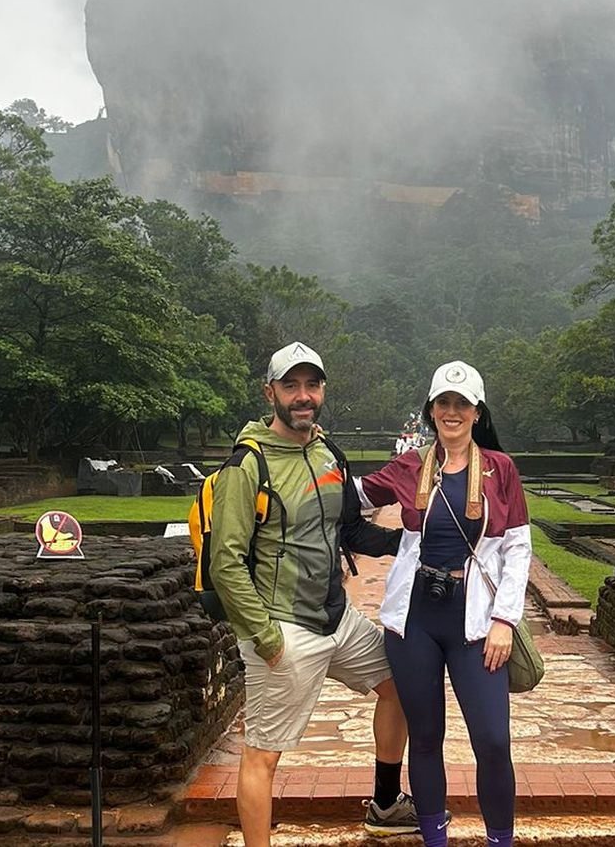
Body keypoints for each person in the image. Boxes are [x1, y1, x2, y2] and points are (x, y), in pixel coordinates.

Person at [206, 341, 419, 845]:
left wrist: (413, 539)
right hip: (282, 625)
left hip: (337, 618)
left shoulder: (327, 453)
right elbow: (225, 562)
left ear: (322, 391)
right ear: (270, 392)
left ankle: (386, 804)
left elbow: (350, 531)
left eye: (312, 385)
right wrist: (265, 638)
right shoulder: (247, 466)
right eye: (291, 386)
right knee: (263, 754)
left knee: (402, 686)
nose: (303, 396)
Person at [353, 361, 532, 847]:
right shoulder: (411, 466)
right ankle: (435, 839)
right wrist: (302, 463)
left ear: (477, 412)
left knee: (493, 741)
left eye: (462, 404)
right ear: (431, 410)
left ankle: (500, 841)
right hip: (415, 621)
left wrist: (505, 621)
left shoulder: (500, 469)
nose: (452, 412)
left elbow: (517, 546)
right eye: (443, 403)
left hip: (475, 622)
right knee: (426, 738)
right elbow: (353, 497)